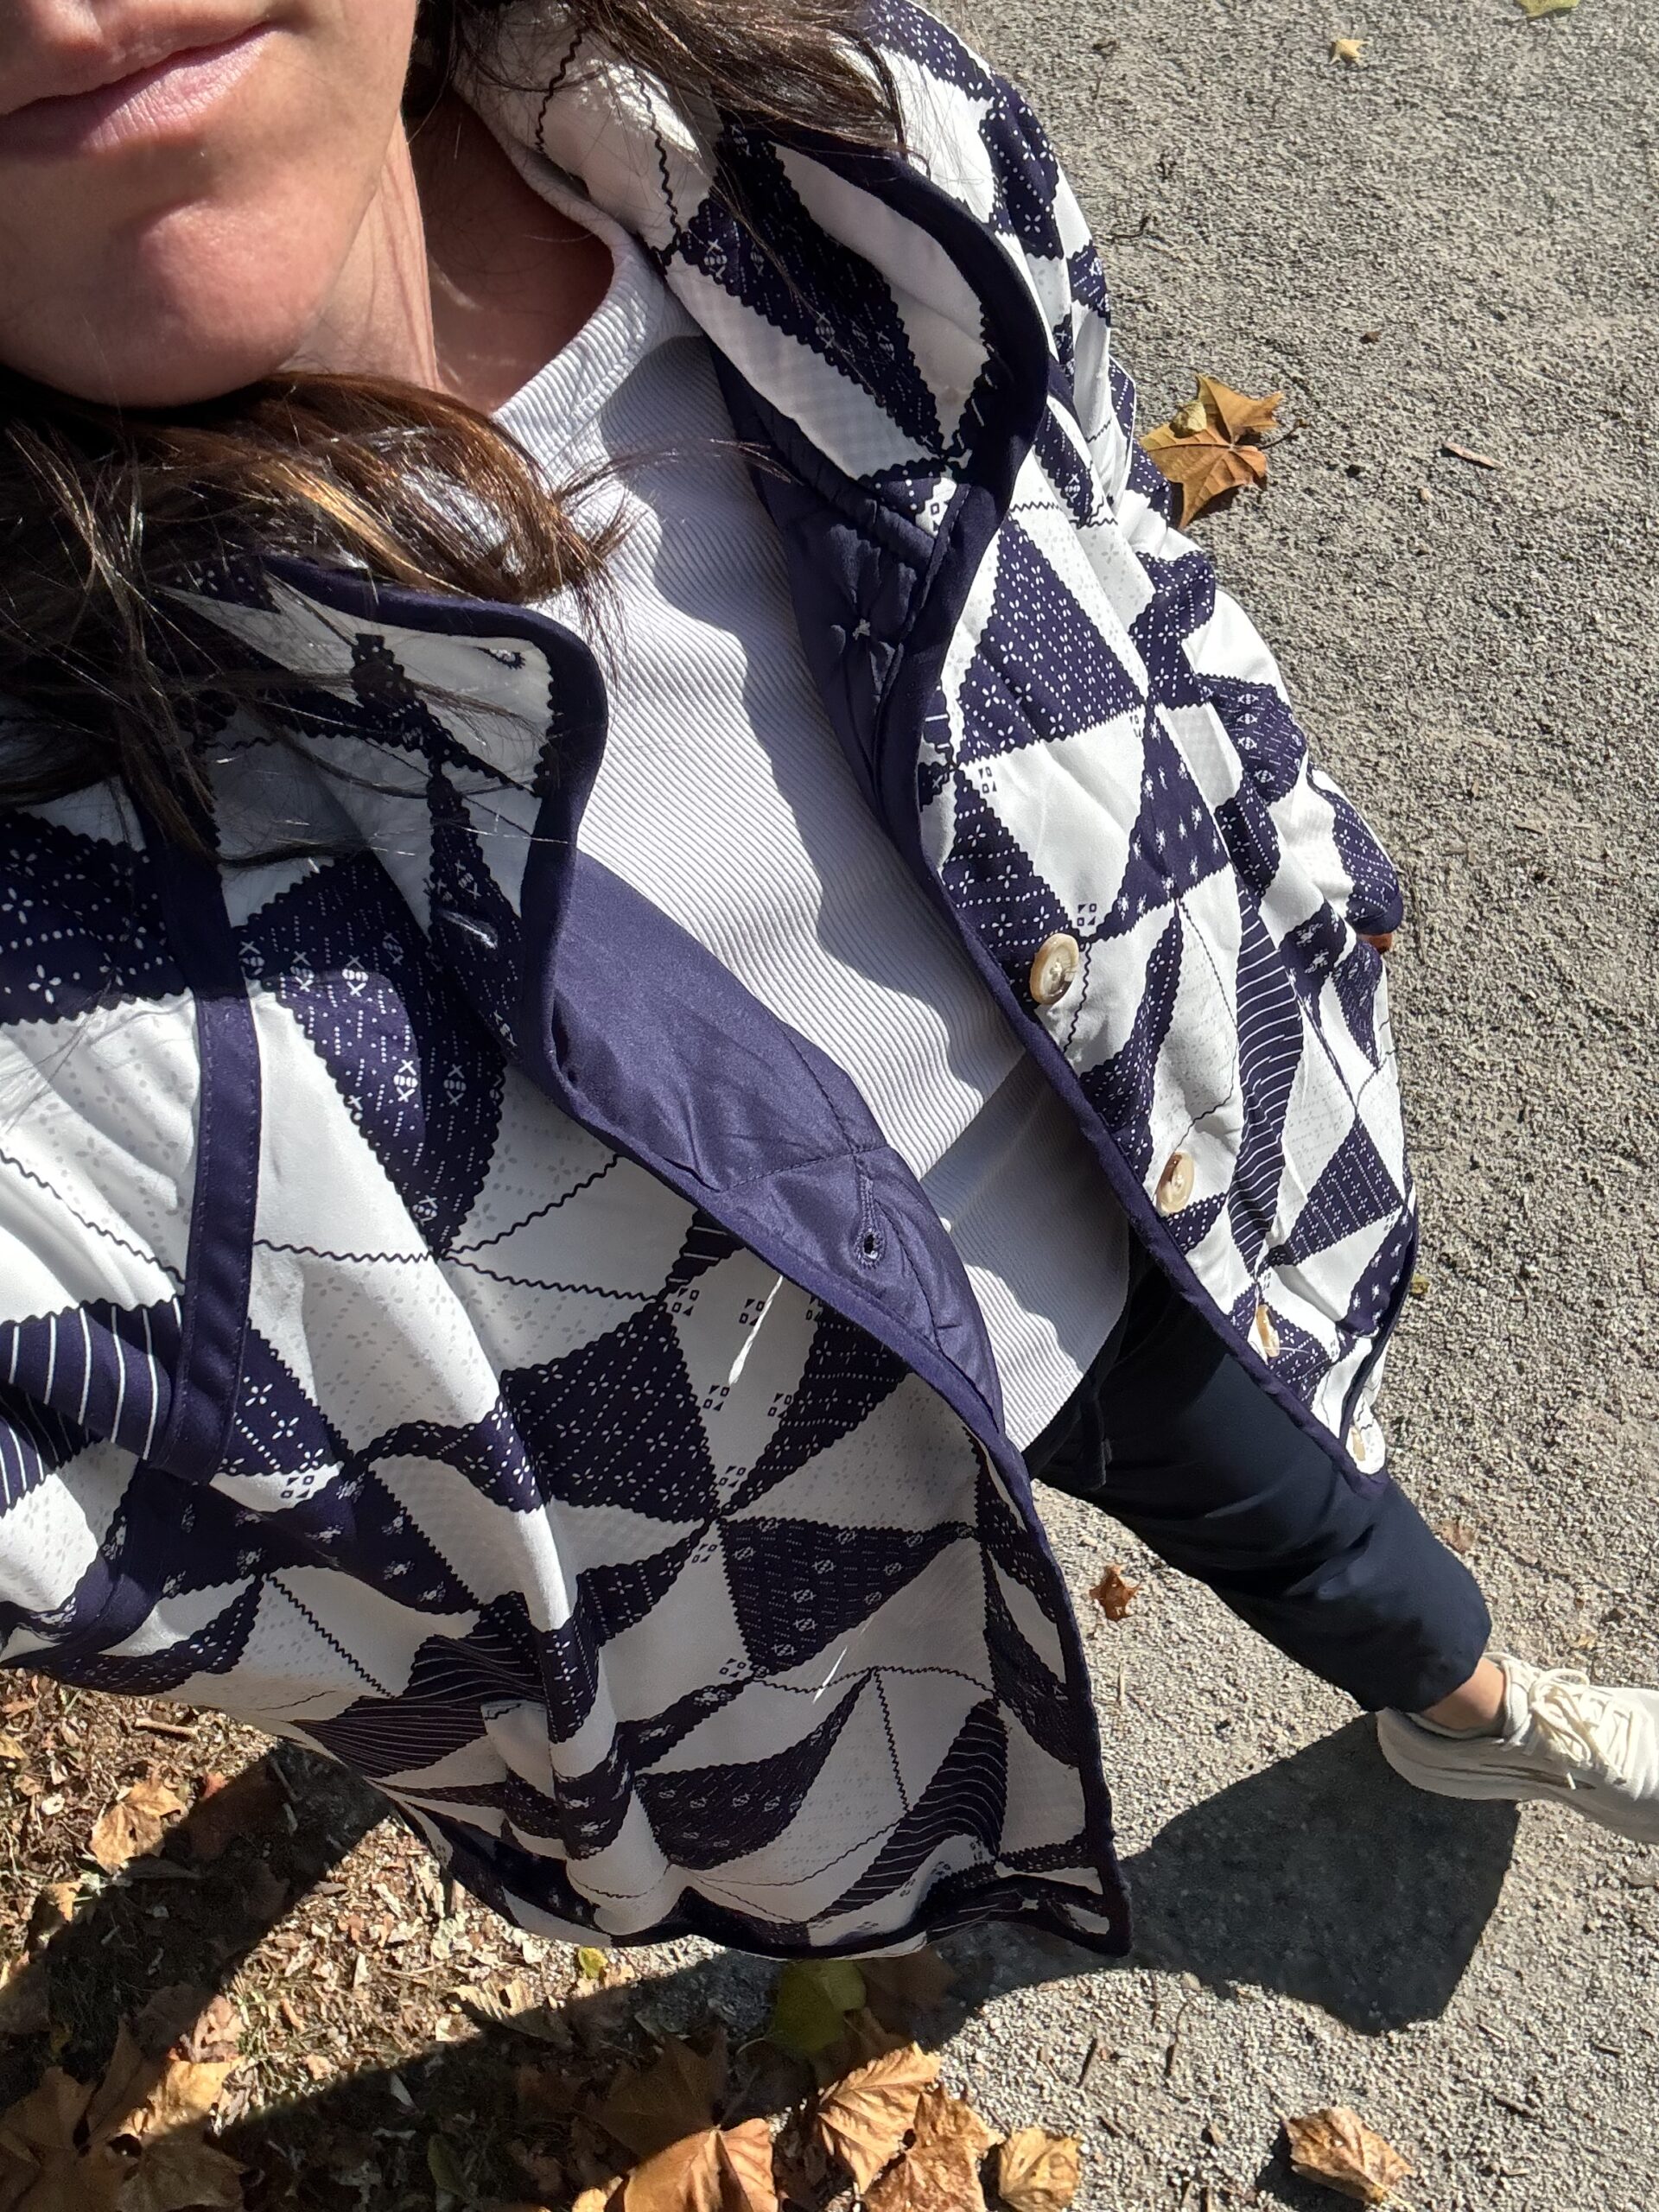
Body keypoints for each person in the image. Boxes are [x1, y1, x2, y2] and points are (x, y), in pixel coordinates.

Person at [0, 0, 1650, 1961]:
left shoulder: (823, 145)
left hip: (1134, 1189)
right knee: (1297, 1520)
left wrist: (1281, 841)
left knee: (1319, 1526)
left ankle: (1461, 1709)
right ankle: (1470, 1710)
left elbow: (1113, 531)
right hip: (808, 1457)